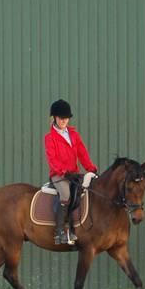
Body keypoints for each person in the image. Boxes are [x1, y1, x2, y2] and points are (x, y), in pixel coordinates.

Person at [44, 99, 98, 245]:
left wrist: (91, 168)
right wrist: (63, 171)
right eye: (61, 118)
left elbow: (82, 153)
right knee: (66, 194)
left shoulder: (73, 134)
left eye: (66, 118)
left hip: (74, 173)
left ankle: (76, 228)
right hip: (59, 174)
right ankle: (59, 231)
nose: (63, 121)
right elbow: (52, 159)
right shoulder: (50, 138)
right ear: (54, 118)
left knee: (84, 190)